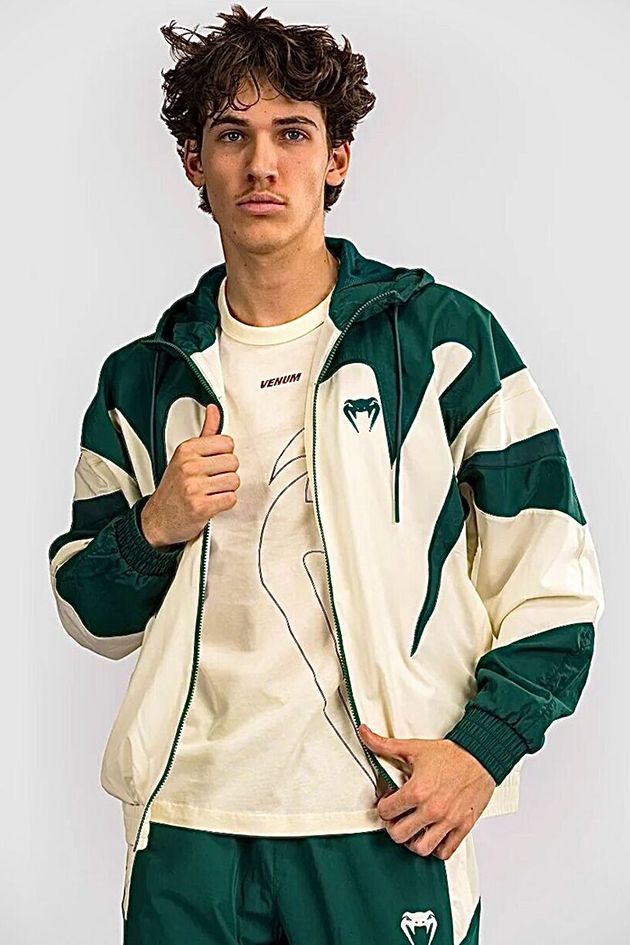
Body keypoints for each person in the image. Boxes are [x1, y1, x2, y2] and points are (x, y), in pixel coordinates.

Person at [47, 5, 605, 944]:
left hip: (383, 817)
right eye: (232, 135)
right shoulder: (144, 378)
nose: (262, 164)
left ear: (337, 157)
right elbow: (87, 613)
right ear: (193, 163)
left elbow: (555, 579)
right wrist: (155, 526)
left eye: (293, 133)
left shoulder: (442, 341)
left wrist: (483, 750)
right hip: (188, 825)